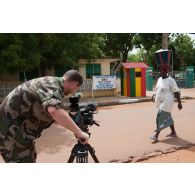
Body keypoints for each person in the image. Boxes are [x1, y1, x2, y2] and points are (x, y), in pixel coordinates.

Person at [0, 70, 89, 162]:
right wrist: (79, 132)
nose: (74, 92)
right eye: (76, 88)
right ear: (74, 83)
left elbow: (49, 113)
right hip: (11, 133)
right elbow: (54, 111)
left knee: (29, 158)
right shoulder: (51, 85)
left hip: (15, 131)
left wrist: (71, 123)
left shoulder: (50, 83)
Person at [150, 65, 182, 143]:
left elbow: (176, 92)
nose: (162, 72)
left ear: (167, 71)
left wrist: (179, 103)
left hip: (167, 102)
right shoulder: (159, 79)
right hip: (160, 102)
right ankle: (173, 132)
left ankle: (156, 135)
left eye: (164, 70)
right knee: (167, 117)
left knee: (160, 117)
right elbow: (158, 89)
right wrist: (154, 95)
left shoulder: (171, 80)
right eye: (161, 70)